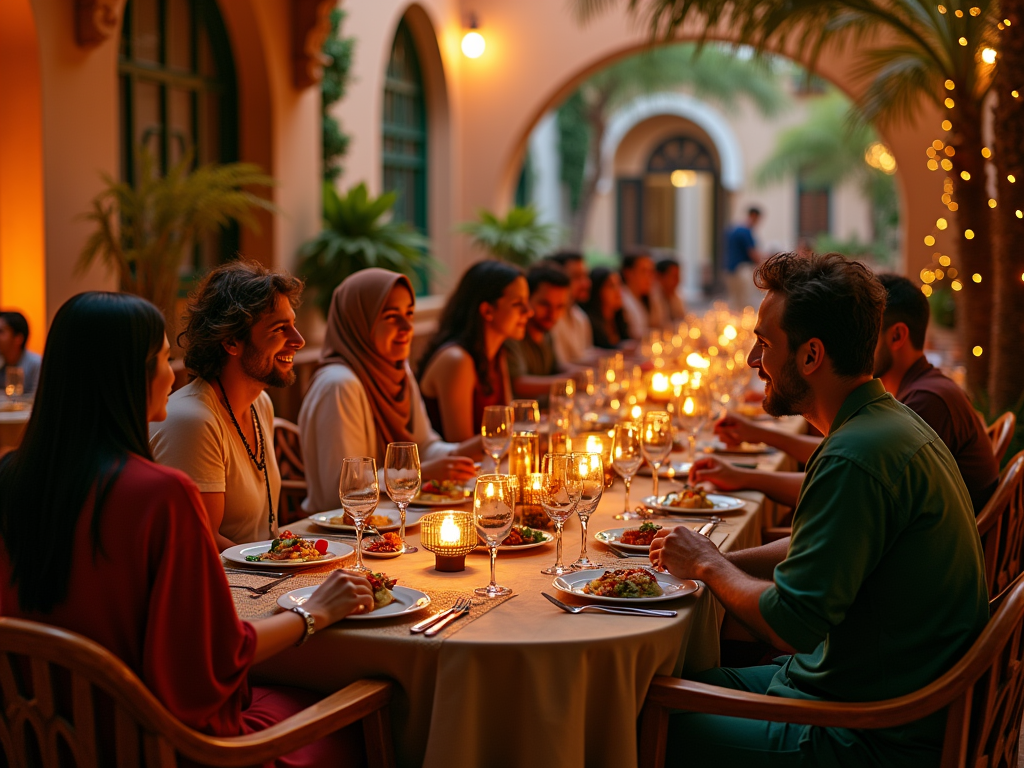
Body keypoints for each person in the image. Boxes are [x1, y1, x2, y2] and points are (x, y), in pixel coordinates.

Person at [0, 292, 374, 766]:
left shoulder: (11, 479)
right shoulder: (160, 496)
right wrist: (315, 612)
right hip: (165, 744)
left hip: (45, 738)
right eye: (160, 358)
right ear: (126, 376)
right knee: (363, 706)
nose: (173, 373)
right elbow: (215, 660)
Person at [652, 252, 987, 767]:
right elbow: (828, 546)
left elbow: (792, 624)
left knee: (633, 716)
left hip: (871, 731)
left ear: (811, 356)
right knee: (658, 684)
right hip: (854, 685)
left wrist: (708, 565)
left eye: (764, 344)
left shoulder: (855, 455)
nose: (751, 360)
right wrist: (724, 562)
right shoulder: (885, 420)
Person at [694, 272, 999, 513]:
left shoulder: (925, 402)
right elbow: (837, 465)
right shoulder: (893, 411)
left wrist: (711, 560)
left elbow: (848, 476)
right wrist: (760, 437)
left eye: (865, 330)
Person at [151, 260, 304, 550]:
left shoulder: (261, 404)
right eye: (279, 329)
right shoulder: (194, 421)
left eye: (293, 325)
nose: (299, 340)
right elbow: (203, 543)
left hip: (261, 582)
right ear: (231, 342)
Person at [299, 269, 479, 513]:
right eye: (392, 316)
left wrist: (468, 451)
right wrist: (419, 473)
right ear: (359, 322)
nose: (407, 326)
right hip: (342, 536)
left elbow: (424, 446)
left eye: (409, 314)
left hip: (390, 522)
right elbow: (343, 489)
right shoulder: (340, 385)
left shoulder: (397, 371)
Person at [419, 260, 530, 442]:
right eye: (518, 304)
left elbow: (506, 427)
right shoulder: (456, 360)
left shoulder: (497, 353)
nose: (529, 312)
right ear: (487, 310)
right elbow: (462, 446)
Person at [505, 264, 572, 407]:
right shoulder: (512, 334)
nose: (552, 315)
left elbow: (555, 367)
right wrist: (568, 381)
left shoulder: (546, 333)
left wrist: (585, 373)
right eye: (544, 304)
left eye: (560, 307)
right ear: (527, 299)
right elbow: (518, 383)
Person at [546, 251, 596, 367]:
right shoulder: (550, 318)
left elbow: (585, 355)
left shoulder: (580, 316)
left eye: (586, 276)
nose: (586, 283)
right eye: (577, 277)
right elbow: (560, 366)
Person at [581, 267, 631, 350]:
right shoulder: (589, 322)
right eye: (611, 286)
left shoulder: (618, 317)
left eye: (619, 284)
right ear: (598, 290)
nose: (617, 290)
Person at [725, 206, 763, 309]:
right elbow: (752, 253)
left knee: (734, 302)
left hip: (730, 269)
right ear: (754, 216)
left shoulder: (734, 229)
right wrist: (764, 265)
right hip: (742, 270)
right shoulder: (746, 232)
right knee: (746, 303)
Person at [619, 251, 663, 339]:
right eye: (644, 271)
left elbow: (659, 324)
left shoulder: (645, 297)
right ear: (628, 273)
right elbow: (635, 336)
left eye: (651, 272)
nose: (650, 277)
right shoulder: (621, 300)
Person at [0, 311, 42, 395]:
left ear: (18, 338)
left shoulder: (37, 364)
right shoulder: (2, 364)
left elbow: (38, 400)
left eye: (1, 331)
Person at [651, 258, 686, 328]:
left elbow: (683, 317)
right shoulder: (651, 297)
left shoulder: (674, 295)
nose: (678, 280)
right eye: (674, 276)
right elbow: (657, 325)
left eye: (678, 276)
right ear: (659, 276)